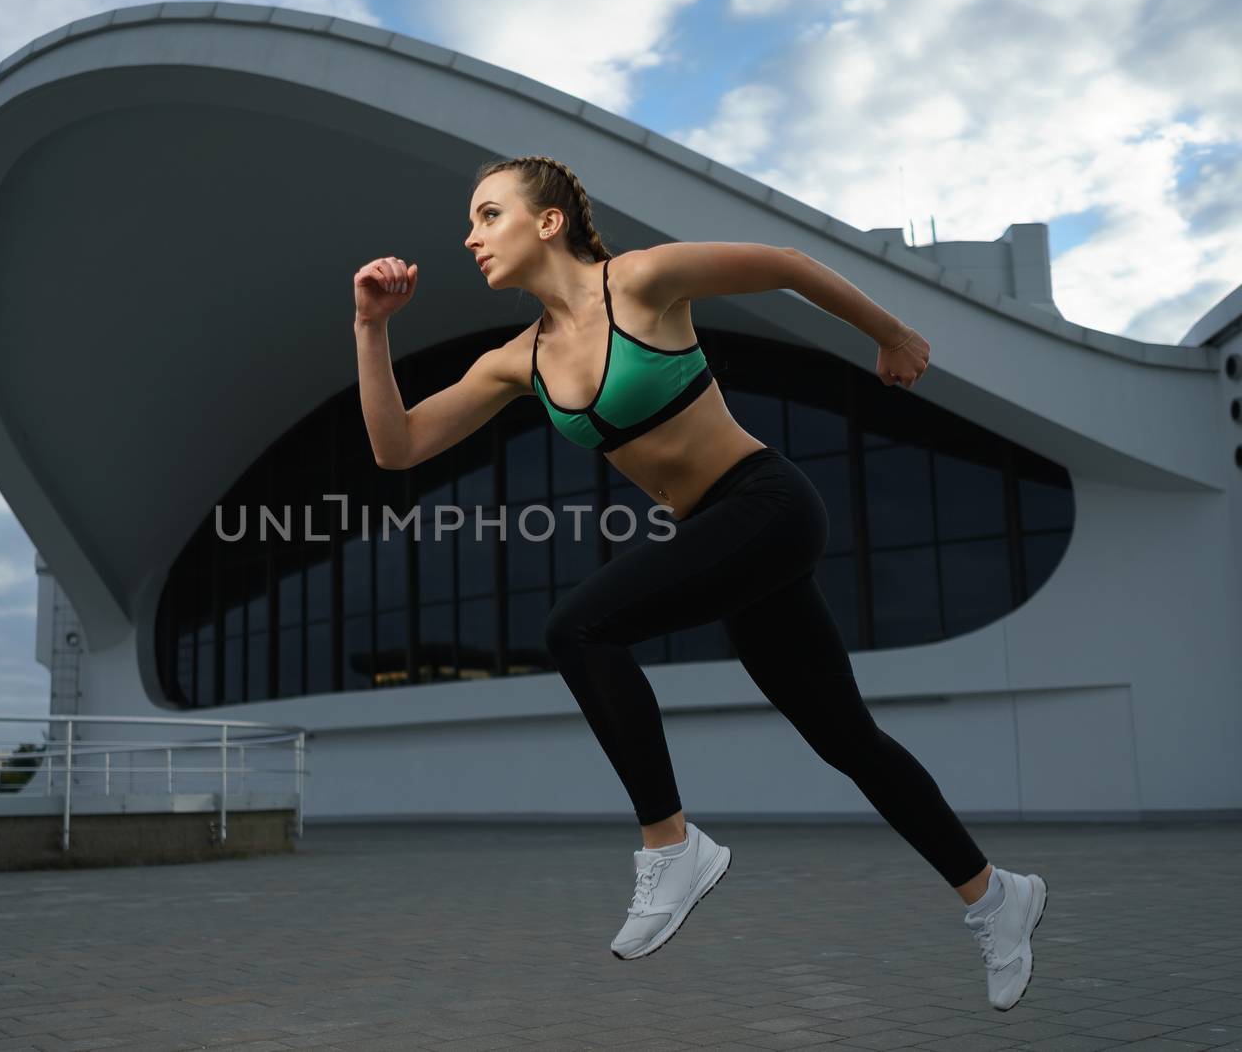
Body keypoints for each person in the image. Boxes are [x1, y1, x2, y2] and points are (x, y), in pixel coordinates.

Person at [351, 155, 1047, 1010]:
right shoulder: (518, 361)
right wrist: (371, 326)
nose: (470, 236)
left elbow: (785, 266)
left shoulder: (640, 282)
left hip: (766, 503)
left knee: (580, 627)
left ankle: (671, 845)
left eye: (488, 214)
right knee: (846, 739)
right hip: (722, 539)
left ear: (548, 222)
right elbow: (399, 446)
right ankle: (995, 894)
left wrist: (890, 332)